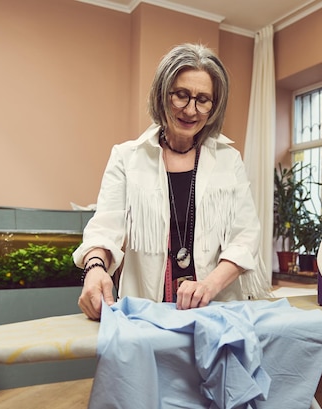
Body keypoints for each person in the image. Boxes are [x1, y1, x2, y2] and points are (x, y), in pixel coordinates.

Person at [74, 43, 269, 320]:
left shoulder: (229, 161)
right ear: (162, 95)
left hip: (216, 312)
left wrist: (209, 286)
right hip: (146, 314)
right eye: (181, 95)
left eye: (203, 100)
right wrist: (94, 270)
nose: (191, 110)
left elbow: (245, 237)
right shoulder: (127, 157)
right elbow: (105, 229)